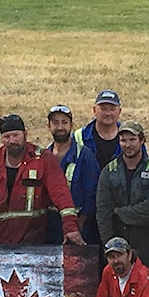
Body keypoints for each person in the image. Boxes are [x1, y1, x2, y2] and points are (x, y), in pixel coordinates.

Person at [0, 114, 86, 246]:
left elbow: (61, 194)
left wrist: (70, 227)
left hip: (34, 241)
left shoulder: (43, 159)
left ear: (25, 134)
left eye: (16, 135)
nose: (11, 141)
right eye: (6, 137)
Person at [95, 121, 149, 293]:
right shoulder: (108, 171)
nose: (127, 145)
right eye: (123, 140)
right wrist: (110, 246)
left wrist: (119, 211)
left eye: (132, 139)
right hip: (117, 242)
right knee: (118, 294)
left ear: (142, 140)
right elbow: (102, 212)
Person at [45, 104, 101, 245]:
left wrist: (79, 224)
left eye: (64, 122)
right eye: (55, 123)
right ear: (48, 126)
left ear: (72, 126)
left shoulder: (85, 156)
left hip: (80, 228)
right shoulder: (43, 157)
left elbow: (92, 193)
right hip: (49, 226)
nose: (60, 127)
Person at [74, 89, 124, 170]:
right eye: (103, 109)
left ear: (119, 111)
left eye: (112, 109)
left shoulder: (130, 136)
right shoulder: (79, 137)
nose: (108, 113)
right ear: (94, 110)